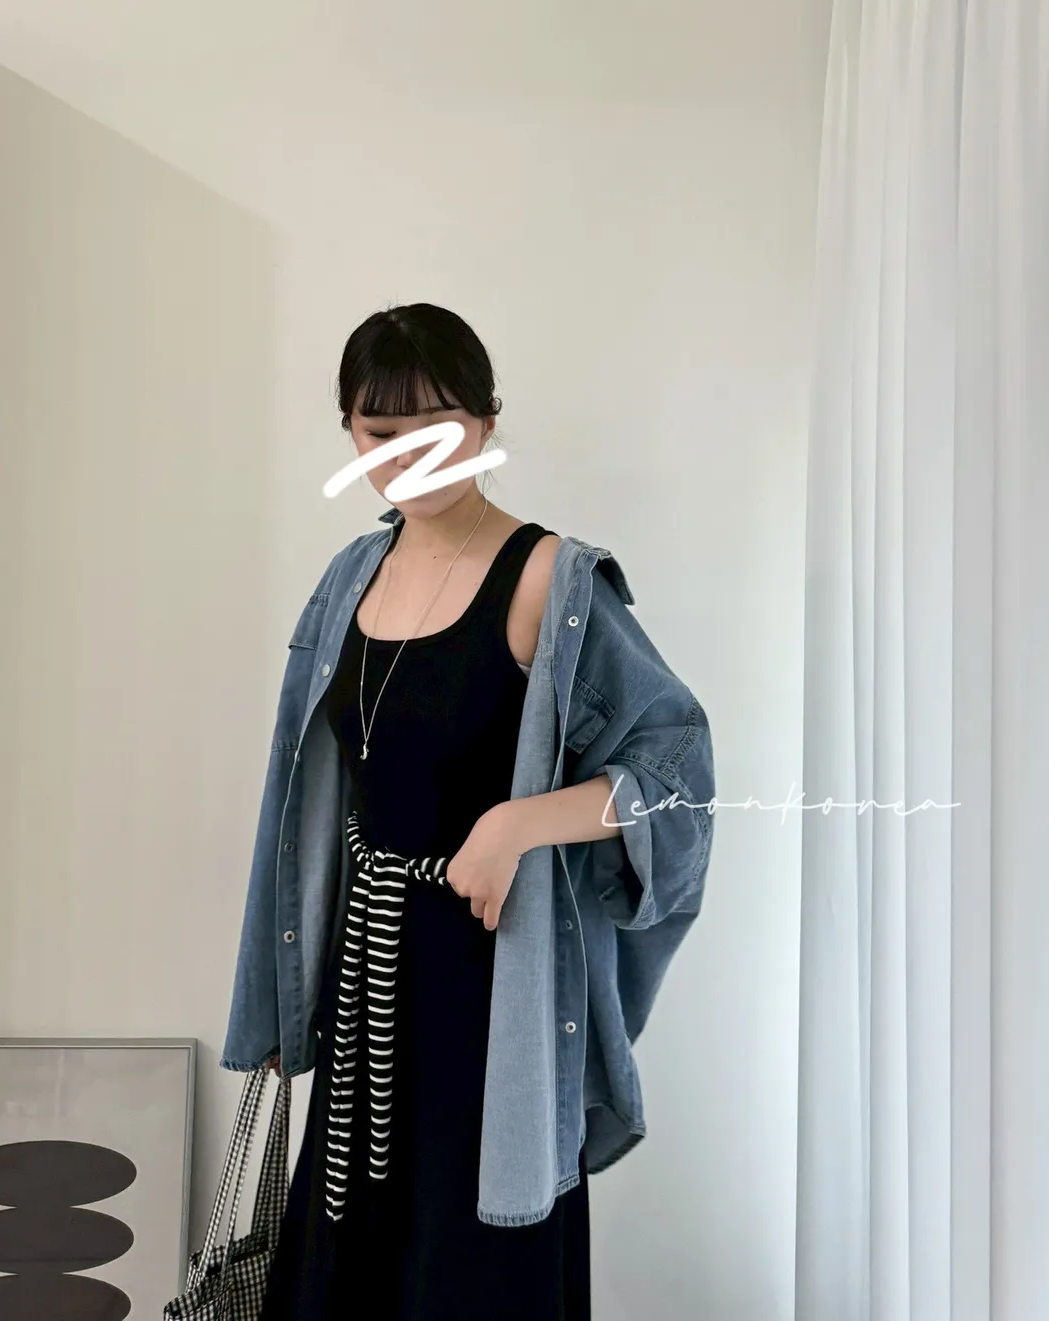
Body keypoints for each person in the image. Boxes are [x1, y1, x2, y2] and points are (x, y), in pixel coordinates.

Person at [223, 302, 716, 1320]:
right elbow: (298, 798)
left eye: (438, 426)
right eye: (381, 432)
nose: (410, 457)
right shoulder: (349, 578)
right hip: (362, 989)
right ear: (348, 433)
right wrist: (278, 996)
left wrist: (514, 825)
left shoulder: (551, 579)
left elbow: (677, 767)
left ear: (487, 421)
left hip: (490, 993)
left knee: (469, 1277)